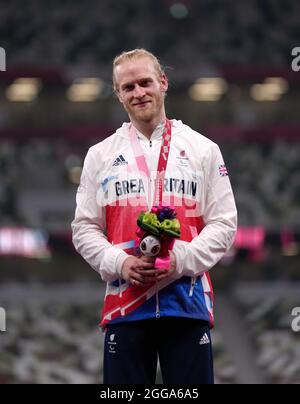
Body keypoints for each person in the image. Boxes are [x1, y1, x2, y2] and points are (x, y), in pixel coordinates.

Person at [72, 48, 237, 384]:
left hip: (187, 303)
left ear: (163, 82)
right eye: (128, 87)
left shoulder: (204, 149)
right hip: (125, 305)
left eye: (145, 82)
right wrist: (120, 263)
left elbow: (223, 222)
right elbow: (84, 228)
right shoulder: (99, 155)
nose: (139, 93)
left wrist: (182, 258)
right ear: (118, 95)